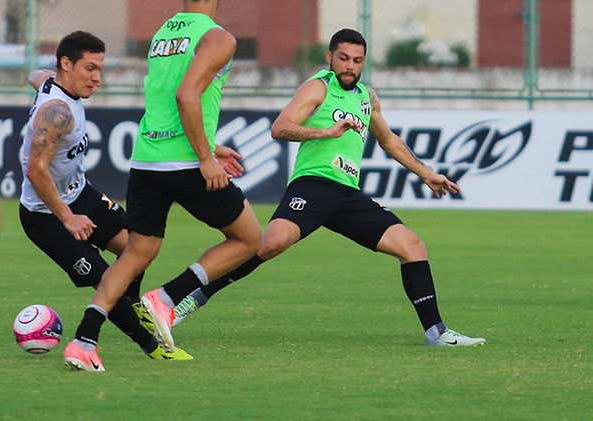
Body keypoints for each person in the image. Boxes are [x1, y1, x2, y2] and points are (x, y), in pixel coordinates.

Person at [171, 28, 486, 347]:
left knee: (413, 247)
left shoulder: (368, 97)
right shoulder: (317, 88)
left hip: (348, 195)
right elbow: (279, 128)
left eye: (357, 60)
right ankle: (189, 300)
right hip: (314, 185)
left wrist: (426, 173)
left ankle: (437, 333)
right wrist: (325, 133)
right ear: (330, 57)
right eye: (344, 58)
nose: (350, 66)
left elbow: (389, 140)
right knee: (267, 245)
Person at [63, 0, 262, 371]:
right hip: (187, 162)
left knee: (136, 253)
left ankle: (84, 340)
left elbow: (173, 98)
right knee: (249, 239)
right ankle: (165, 300)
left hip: (148, 158)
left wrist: (210, 145)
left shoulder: (161, 34)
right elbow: (187, 96)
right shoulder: (218, 37)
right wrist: (206, 158)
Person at [19, 32, 191, 368]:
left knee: (139, 246)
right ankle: (152, 346)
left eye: (100, 68)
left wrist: (42, 80)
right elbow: (36, 171)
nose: (97, 78)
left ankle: (134, 303)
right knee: (103, 279)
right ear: (66, 64)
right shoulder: (56, 112)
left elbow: (36, 75)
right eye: (89, 68)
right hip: (46, 215)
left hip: (81, 194)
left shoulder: (52, 83)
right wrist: (68, 218)